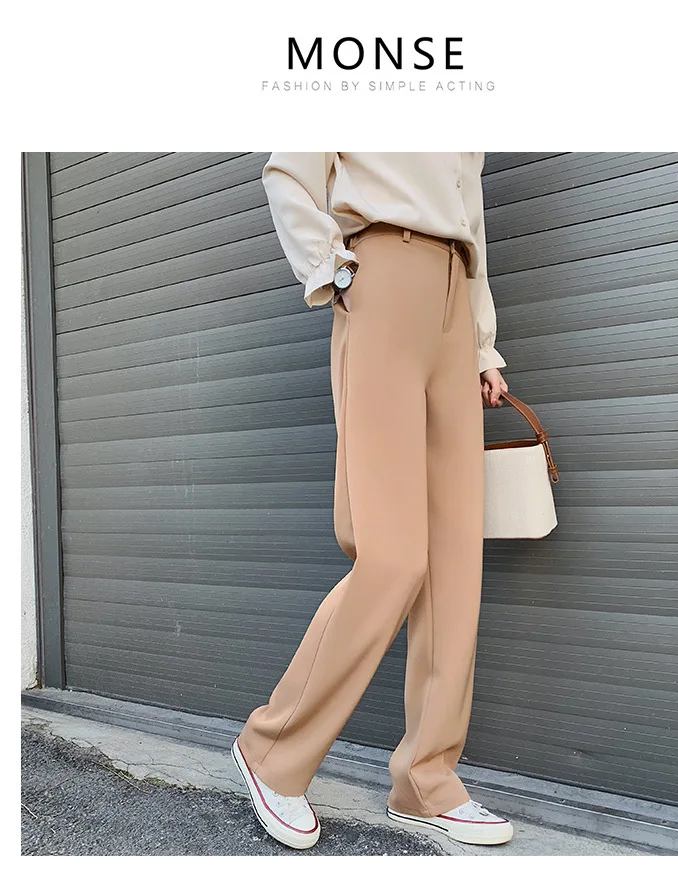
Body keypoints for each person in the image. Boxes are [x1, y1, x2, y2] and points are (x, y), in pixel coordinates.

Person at [231, 153, 513, 850]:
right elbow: (288, 173)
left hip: (455, 293)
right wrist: (333, 269)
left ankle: (427, 779)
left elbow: (469, 213)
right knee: (392, 556)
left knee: (454, 564)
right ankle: (272, 749)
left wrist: (482, 344)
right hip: (382, 273)